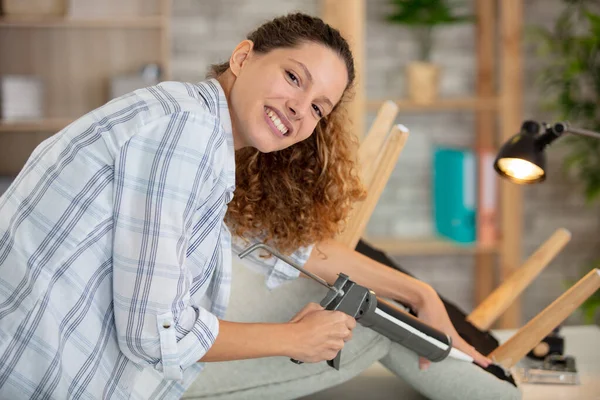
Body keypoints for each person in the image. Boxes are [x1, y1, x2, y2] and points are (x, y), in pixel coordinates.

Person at [0, 12, 492, 400]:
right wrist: (293, 340)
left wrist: (420, 293)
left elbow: (288, 247)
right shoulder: (184, 133)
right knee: (374, 326)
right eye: (294, 77)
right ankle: (500, 384)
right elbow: (155, 334)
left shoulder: (192, 123)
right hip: (37, 376)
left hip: (46, 367)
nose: (302, 109)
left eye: (319, 107)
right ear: (242, 57)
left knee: (375, 313)